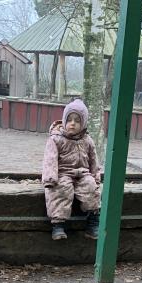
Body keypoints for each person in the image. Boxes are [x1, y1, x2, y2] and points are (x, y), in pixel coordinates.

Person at [42, 98, 102, 241]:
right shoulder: (56, 139)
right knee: (61, 189)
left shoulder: (87, 140)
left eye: (77, 120)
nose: (72, 123)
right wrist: (50, 178)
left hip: (83, 174)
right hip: (63, 173)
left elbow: (93, 160)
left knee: (91, 188)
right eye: (69, 120)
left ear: (83, 123)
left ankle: (93, 222)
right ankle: (58, 225)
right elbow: (50, 159)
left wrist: (95, 176)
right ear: (64, 120)